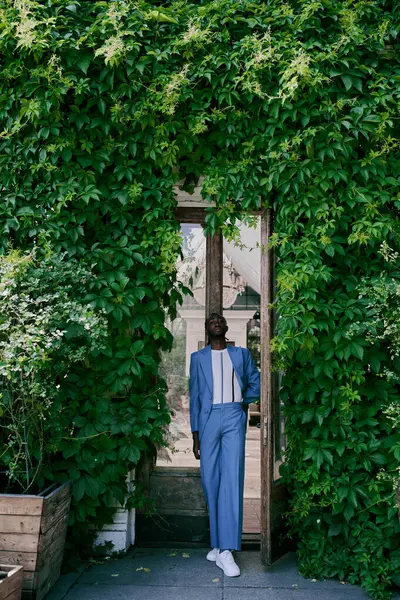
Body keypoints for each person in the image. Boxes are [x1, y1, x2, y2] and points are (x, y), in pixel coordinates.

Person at [189, 313, 260, 577]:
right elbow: (195, 397)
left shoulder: (241, 354)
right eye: (211, 321)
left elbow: (256, 381)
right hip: (207, 420)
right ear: (207, 330)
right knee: (210, 480)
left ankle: (226, 550)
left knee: (231, 479)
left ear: (226, 327)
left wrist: (242, 401)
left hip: (232, 416)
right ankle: (218, 544)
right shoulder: (198, 359)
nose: (216, 322)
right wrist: (195, 435)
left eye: (220, 320)